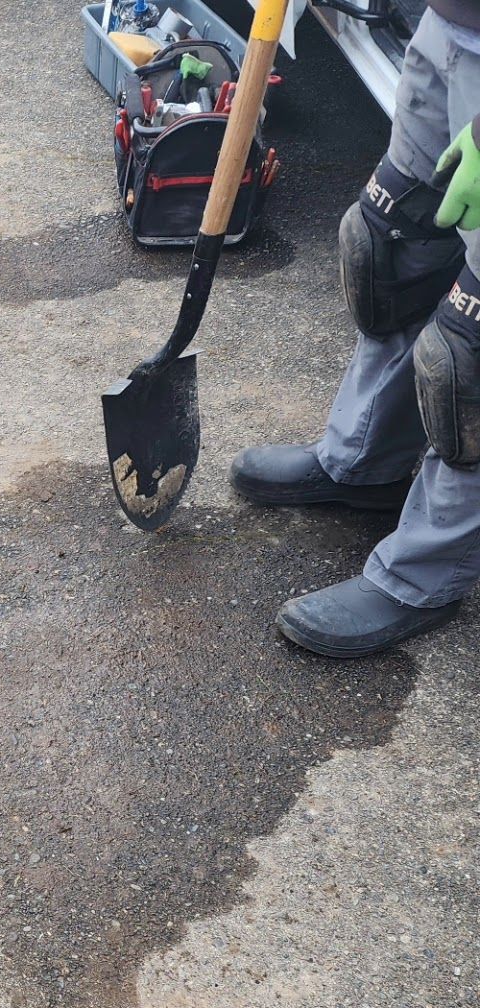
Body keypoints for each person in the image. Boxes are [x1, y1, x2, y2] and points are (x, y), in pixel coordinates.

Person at [231, 2, 480, 657]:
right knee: (389, 248)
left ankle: (424, 573)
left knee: (470, 357)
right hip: (453, 24)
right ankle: (365, 460)